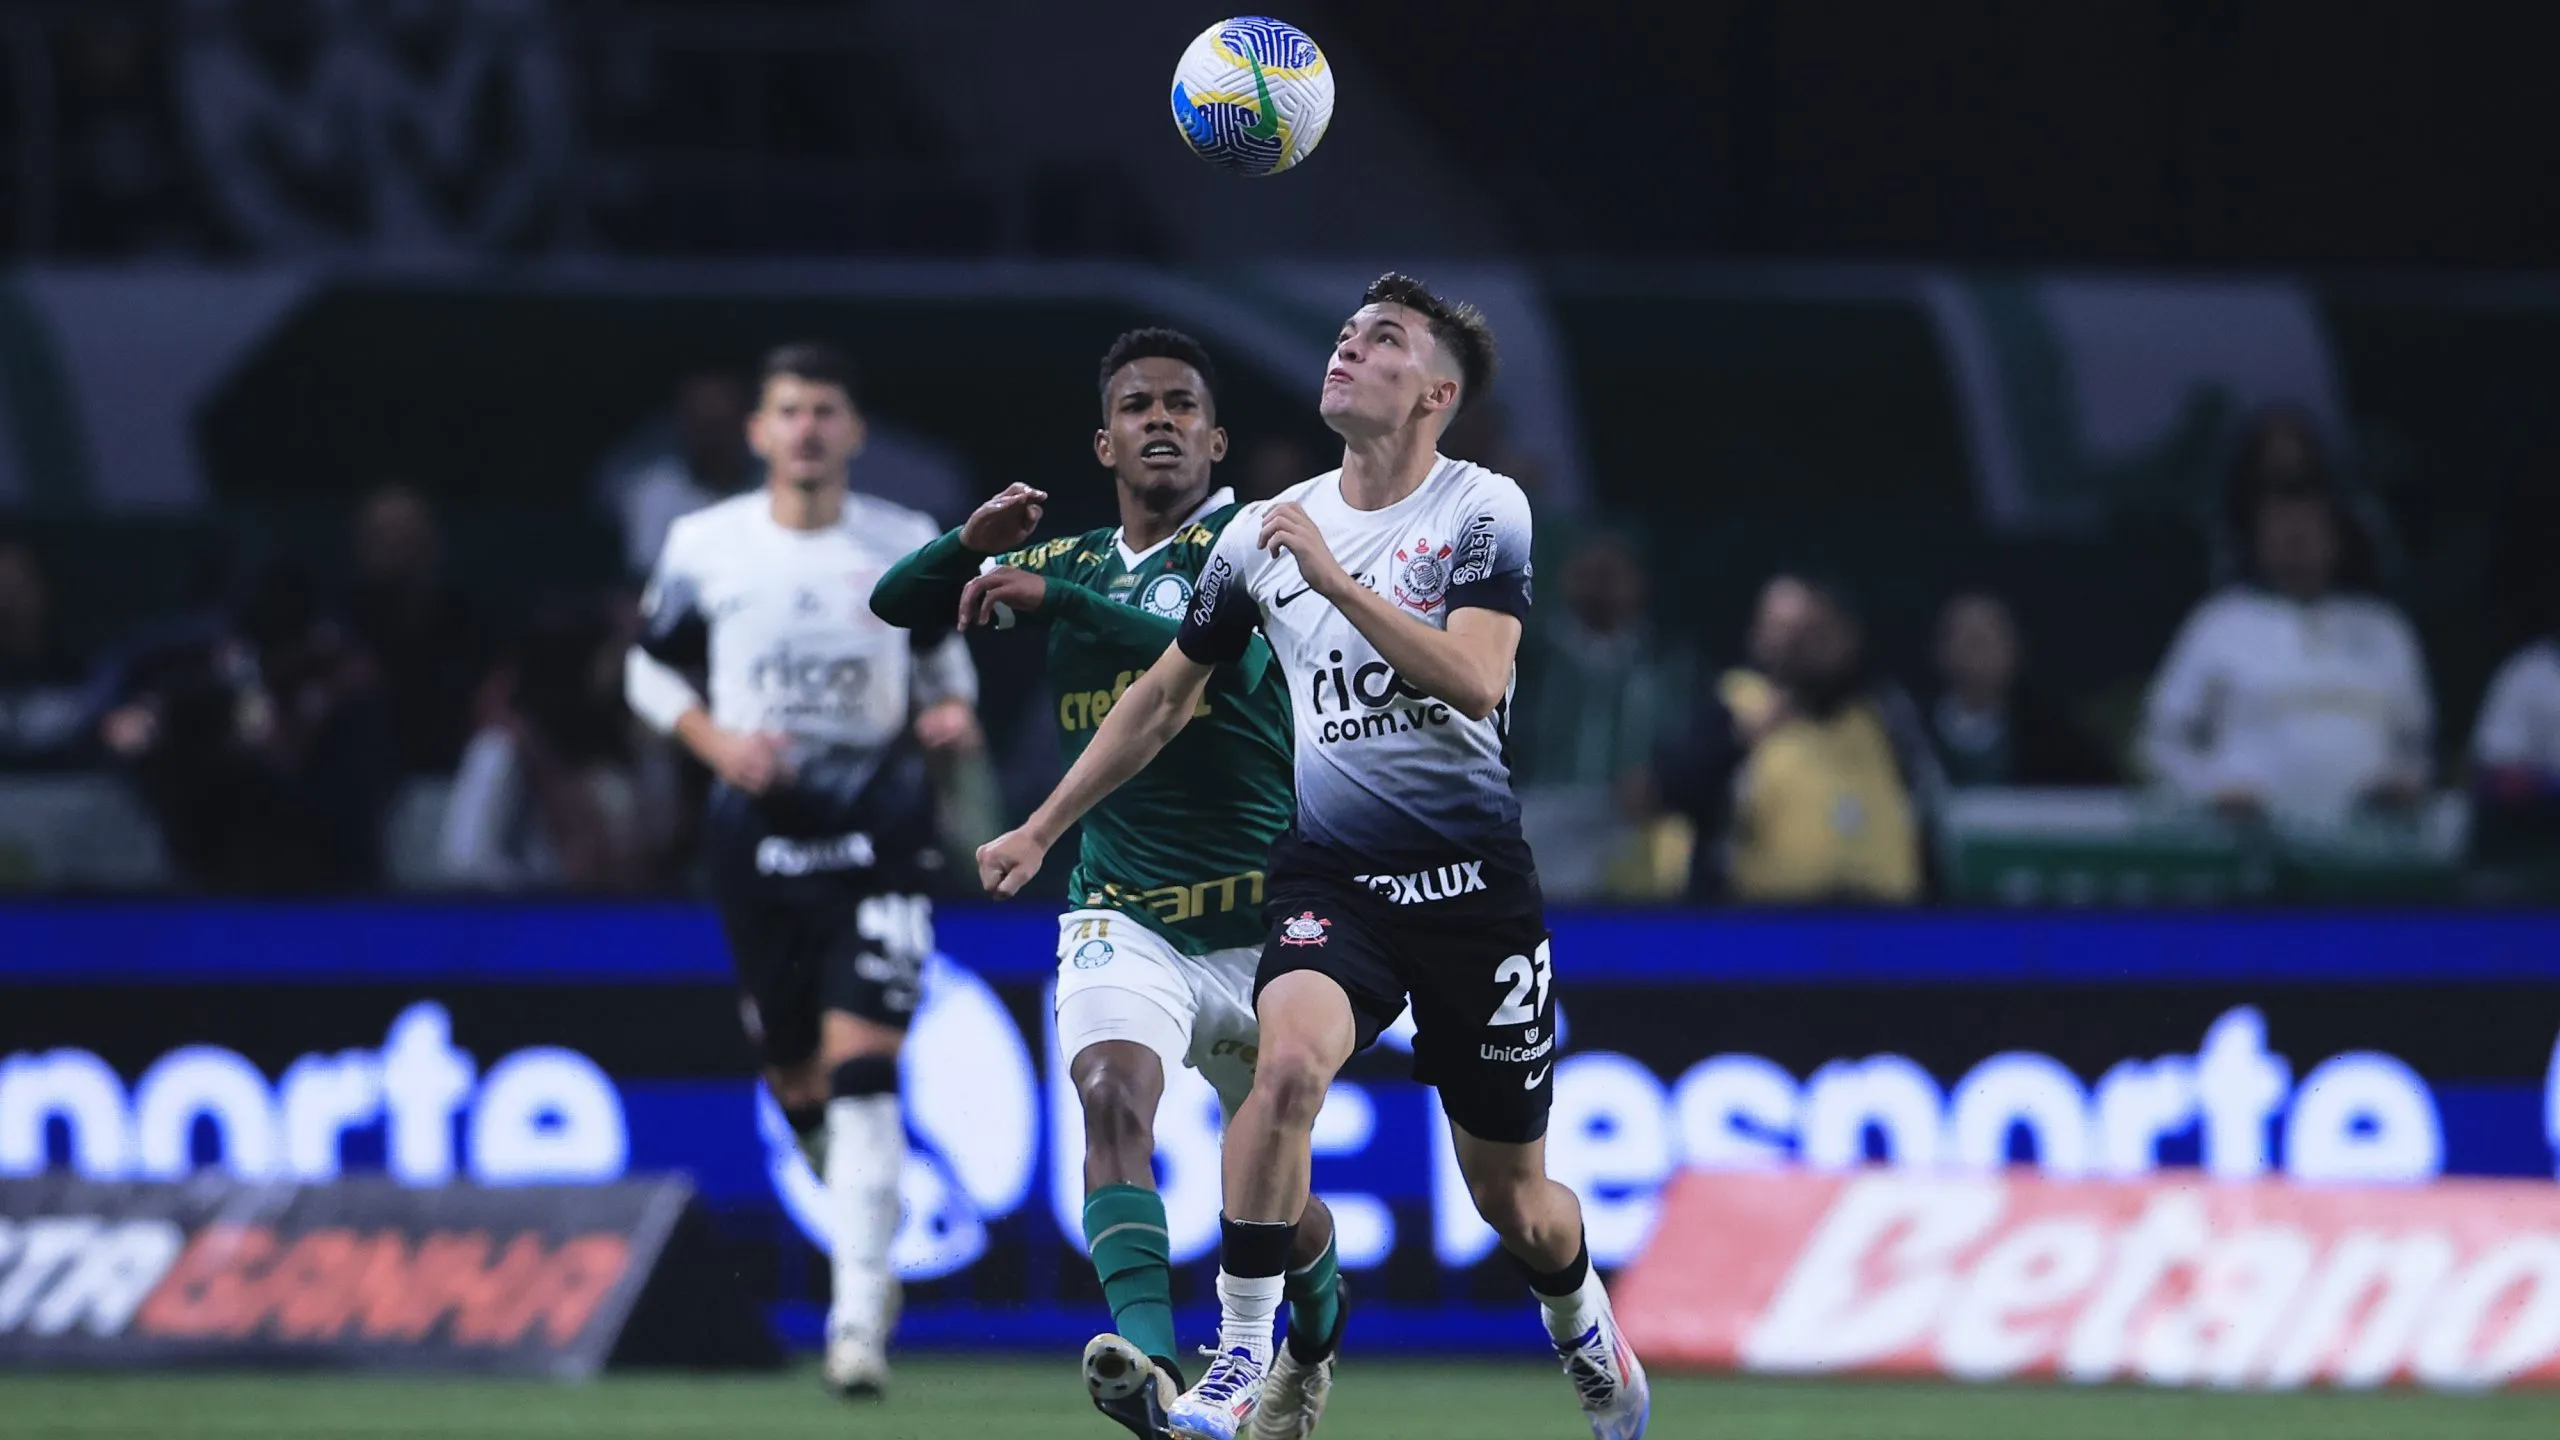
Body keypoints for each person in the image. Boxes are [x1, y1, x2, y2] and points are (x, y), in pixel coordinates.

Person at [979, 275, 1651, 1440]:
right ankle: (1240, 1357)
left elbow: (1478, 679)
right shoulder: (1260, 529)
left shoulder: (1483, 507)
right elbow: (1160, 699)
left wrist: (1334, 581)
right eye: (1345, 334)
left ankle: (1580, 1323)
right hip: (1331, 879)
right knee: (1286, 1071)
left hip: (1470, 895)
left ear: (1435, 392)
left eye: (1381, 339)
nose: (1348, 349)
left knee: (1517, 1202)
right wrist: (1042, 825)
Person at [871, 328, 1345, 1437]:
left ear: (1216, 436)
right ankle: (1152, 1364)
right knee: (1109, 1098)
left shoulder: (1259, 542)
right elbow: (898, 606)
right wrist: (965, 544)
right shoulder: (1072, 561)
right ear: (1105, 441)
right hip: (1122, 911)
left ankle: (1315, 1328)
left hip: (1261, 920)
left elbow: (1209, 662)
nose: (1162, 420)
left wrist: (1055, 605)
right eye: (1138, 406)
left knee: (1272, 1192)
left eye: (1183, 404)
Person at [621, 342, 983, 1400]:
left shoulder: (905, 543)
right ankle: (863, 1209)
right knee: (794, 1075)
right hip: (756, 835)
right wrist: (712, 740)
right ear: (759, 432)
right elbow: (648, 662)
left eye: (827, 409)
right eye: (790, 410)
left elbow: (942, 670)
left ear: (855, 432)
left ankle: (856, 1320)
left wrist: (947, 716)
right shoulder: (704, 545)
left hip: (881, 828)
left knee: (866, 1070)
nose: (809, 428)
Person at [2140, 469, 2431, 826]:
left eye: (2310, 526)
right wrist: (2211, 790)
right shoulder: (2219, 623)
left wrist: (2403, 785)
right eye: (2280, 526)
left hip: (2370, 852)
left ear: (2337, 537)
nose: (2296, 538)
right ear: (2257, 538)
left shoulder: (2384, 628)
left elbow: (2416, 745)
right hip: (2248, 850)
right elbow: (2161, 742)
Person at [1656, 575, 1934, 905]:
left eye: (1815, 632)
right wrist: (1740, 739)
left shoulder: (1885, 716)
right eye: (1783, 630)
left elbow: (1928, 816)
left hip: (1887, 930)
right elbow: (1675, 791)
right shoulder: (1734, 705)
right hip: (1762, 929)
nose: (1798, 645)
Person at [1926, 591, 2110, 788]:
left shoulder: (2055, 740)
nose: (1971, 654)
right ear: (1938, 649)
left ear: (2014, 650)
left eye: (1982, 641)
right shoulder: (1910, 734)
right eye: (1960, 639)